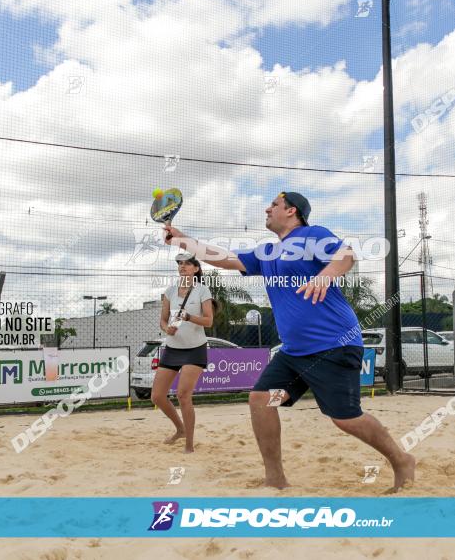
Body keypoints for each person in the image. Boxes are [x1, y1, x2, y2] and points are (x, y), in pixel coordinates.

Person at [163, 191, 415, 491]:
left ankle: (401, 460)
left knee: (345, 419)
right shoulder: (267, 253)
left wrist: (325, 276)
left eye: (274, 205)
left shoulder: (311, 235)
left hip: (333, 345)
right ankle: (275, 478)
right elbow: (225, 259)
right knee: (261, 400)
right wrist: (182, 240)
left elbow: (346, 255)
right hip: (294, 354)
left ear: (291, 210)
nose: (267, 208)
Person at [153, 252, 214, 453]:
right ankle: (180, 429)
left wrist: (188, 317)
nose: (182, 266)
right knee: (157, 396)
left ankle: (189, 444)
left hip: (195, 348)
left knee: (183, 394)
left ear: (196, 268)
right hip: (173, 346)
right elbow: (162, 320)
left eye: (187, 264)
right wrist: (166, 328)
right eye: (180, 263)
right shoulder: (170, 291)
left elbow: (208, 321)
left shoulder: (202, 290)